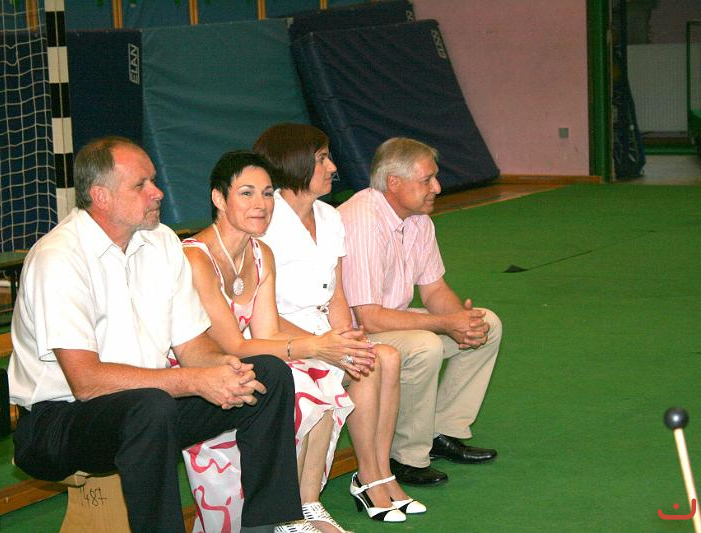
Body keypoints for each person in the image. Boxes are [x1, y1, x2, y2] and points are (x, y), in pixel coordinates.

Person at [7, 137, 302, 533]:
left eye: (154, 180)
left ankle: (264, 527)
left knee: (267, 375)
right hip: (58, 422)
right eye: (141, 185)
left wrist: (225, 368)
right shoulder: (58, 258)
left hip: (146, 406)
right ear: (101, 196)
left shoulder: (161, 240)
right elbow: (86, 381)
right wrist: (194, 381)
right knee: (150, 407)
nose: (157, 192)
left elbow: (192, 343)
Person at [180, 150, 371, 533]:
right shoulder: (196, 257)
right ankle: (284, 515)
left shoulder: (260, 253)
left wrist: (329, 347)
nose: (261, 204)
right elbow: (233, 345)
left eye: (268, 193)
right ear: (219, 198)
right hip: (205, 372)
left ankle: (304, 504)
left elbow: (266, 333)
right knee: (302, 384)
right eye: (246, 193)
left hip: (247, 361)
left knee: (322, 375)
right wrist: (315, 345)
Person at [254, 124, 423, 523]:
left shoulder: (329, 216)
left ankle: (375, 473)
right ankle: (307, 498)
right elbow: (261, 311)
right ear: (294, 163)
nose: (333, 167)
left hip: (325, 331)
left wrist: (347, 338)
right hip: (283, 336)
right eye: (322, 159)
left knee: (383, 358)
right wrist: (330, 345)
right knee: (354, 364)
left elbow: (337, 294)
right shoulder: (265, 221)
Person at [337, 137, 502, 486]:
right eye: (427, 180)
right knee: (423, 345)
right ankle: (404, 457)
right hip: (352, 335)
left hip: (388, 321)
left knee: (487, 325)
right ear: (393, 182)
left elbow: (435, 289)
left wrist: (462, 322)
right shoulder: (362, 221)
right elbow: (369, 318)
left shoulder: (417, 219)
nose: (437, 188)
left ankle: (442, 431)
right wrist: (445, 324)